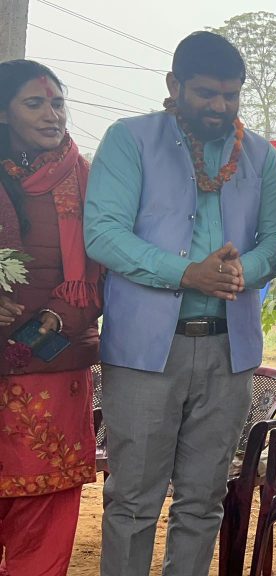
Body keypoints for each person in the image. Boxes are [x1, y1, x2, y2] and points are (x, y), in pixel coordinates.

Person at [84, 32, 276, 575]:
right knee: (133, 501)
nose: (220, 106)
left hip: (229, 352)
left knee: (203, 499)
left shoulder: (260, 156)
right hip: (146, 352)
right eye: (206, 93)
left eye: (230, 95)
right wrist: (186, 272)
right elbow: (103, 233)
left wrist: (245, 270)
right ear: (174, 85)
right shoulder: (130, 139)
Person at [0, 59, 102, 576]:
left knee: (45, 512)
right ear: (3, 112)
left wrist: (52, 321)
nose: (52, 115)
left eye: (58, 103)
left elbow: (101, 265)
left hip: (53, 363)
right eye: (35, 103)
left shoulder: (85, 179)